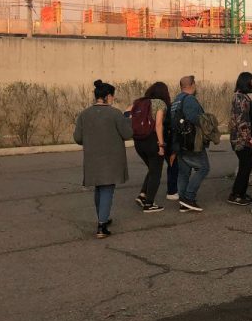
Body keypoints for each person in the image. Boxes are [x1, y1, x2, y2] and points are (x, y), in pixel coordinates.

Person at [73, 80, 133, 239]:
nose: (113, 99)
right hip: (111, 158)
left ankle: (102, 217)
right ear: (107, 96)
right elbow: (127, 134)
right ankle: (101, 226)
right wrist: (127, 117)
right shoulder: (115, 114)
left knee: (99, 188)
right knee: (107, 189)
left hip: (92, 158)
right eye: (112, 96)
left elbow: (78, 138)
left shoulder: (84, 114)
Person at [171, 75, 210, 212]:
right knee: (204, 168)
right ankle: (189, 197)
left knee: (184, 172)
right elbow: (195, 119)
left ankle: (183, 202)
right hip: (192, 143)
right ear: (192, 85)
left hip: (179, 143)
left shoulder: (176, 100)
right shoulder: (190, 100)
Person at [129, 82, 169, 213]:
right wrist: (161, 145)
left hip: (138, 141)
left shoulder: (139, 102)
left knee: (152, 169)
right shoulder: (160, 103)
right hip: (152, 140)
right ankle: (149, 203)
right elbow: (158, 125)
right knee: (156, 172)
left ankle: (143, 195)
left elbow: (126, 114)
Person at [228, 72, 252, 206]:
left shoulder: (243, 97)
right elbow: (242, 121)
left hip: (242, 138)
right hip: (241, 140)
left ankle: (240, 192)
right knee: (246, 165)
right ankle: (236, 195)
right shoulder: (240, 98)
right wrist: (249, 138)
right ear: (246, 82)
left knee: (246, 165)